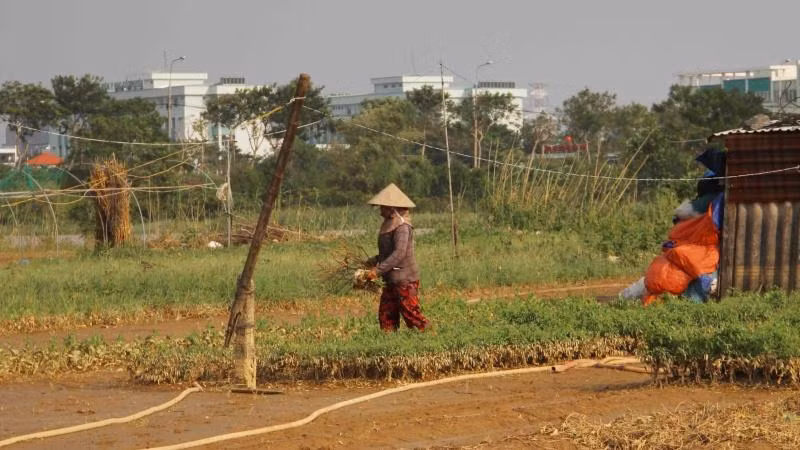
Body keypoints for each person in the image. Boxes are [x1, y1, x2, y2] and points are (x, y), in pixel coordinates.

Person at [366, 183, 429, 331]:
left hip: (404, 280)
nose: (381, 211)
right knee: (386, 316)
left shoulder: (402, 227)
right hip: (390, 280)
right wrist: (373, 261)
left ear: (391, 208)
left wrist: (377, 271)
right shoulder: (388, 224)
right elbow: (387, 253)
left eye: (383, 207)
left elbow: (398, 254)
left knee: (412, 315)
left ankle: (430, 337)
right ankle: (388, 345)